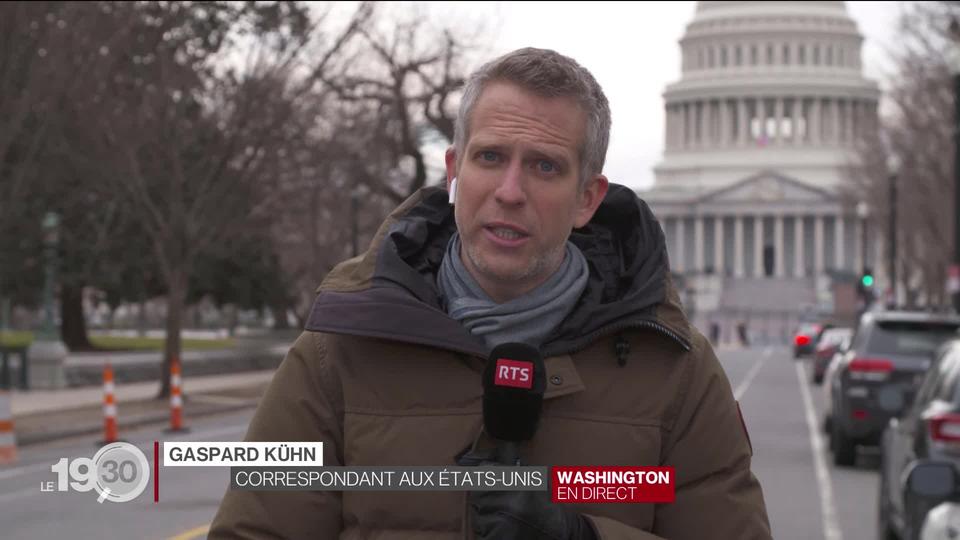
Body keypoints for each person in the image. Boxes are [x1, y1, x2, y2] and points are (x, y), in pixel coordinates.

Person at [210, 47, 771, 539]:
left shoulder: (677, 374)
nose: (509, 192)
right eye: (490, 157)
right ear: (454, 170)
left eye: (544, 166)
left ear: (586, 198)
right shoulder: (336, 353)